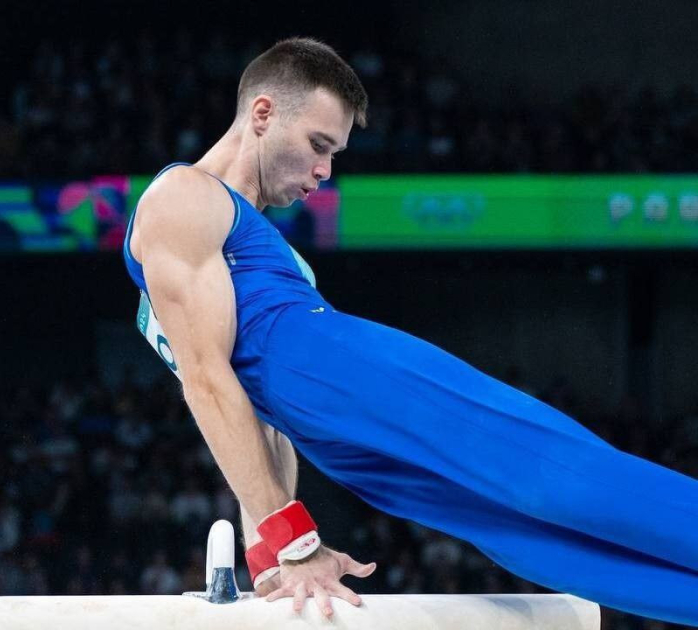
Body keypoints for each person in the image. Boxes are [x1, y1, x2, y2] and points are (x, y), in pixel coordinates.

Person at [122, 38, 698, 626]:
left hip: (333, 388)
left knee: (551, 479)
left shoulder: (250, 238)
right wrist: (284, 549)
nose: (324, 171)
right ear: (263, 114)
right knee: (521, 532)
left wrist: (276, 547)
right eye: (318, 145)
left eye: (333, 153)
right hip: (330, 399)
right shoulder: (185, 197)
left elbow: (247, 414)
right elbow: (210, 380)